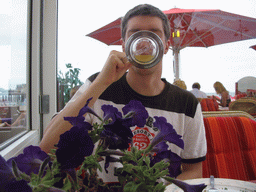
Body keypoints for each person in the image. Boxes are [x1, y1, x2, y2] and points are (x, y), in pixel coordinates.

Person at [39, 4, 206, 181]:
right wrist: (101, 82)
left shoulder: (187, 104)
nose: (143, 41)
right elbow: (46, 146)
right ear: (124, 45)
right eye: (135, 34)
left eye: (154, 33)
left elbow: (194, 170)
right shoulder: (98, 86)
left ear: (166, 45)